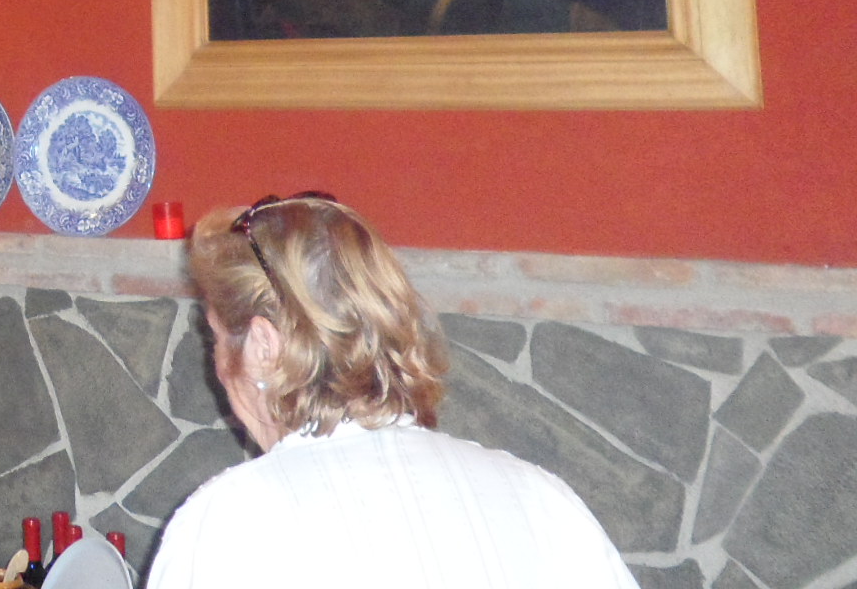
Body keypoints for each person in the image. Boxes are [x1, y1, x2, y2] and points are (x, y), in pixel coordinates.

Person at [146, 193, 636, 589]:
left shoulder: (229, 523)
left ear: (263, 347)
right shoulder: (542, 500)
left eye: (214, 337)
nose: (216, 363)